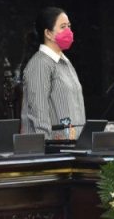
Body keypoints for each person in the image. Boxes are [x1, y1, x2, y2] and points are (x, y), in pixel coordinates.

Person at [20, 7, 85, 139]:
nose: (68, 31)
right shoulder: (40, 64)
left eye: (69, 26)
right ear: (48, 33)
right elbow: (38, 112)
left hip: (71, 145)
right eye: (63, 27)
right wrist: (47, 147)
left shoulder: (65, 63)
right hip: (49, 150)